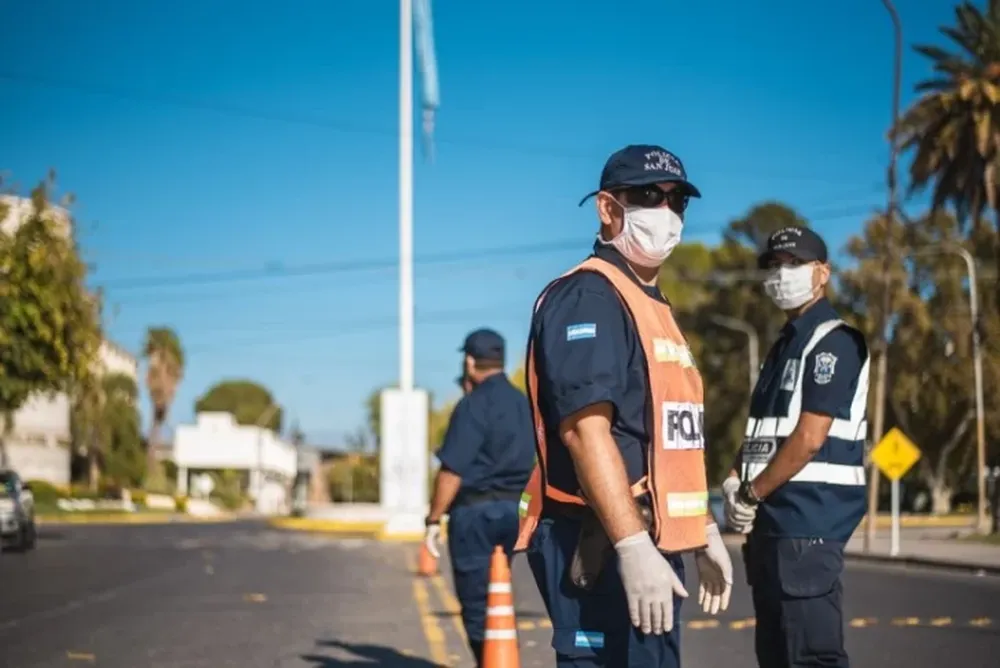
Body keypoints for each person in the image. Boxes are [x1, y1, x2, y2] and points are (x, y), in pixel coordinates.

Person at [513, 144, 733, 668]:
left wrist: (701, 529)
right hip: (607, 541)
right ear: (608, 209)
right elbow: (585, 432)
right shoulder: (590, 295)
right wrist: (633, 545)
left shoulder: (649, 303)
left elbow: (667, 438)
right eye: (648, 196)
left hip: (650, 540)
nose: (666, 211)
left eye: (677, 199)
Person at [722, 225, 870, 668]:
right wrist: (734, 477)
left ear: (822, 273)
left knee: (809, 658)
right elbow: (763, 433)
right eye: (774, 265)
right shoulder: (783, 347)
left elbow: (809, 437)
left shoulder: (833, 341)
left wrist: (752, 493)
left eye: (794, 264)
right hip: (774, 525)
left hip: (808, 521)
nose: (781, 274)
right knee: (778, 655)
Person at [423, 328, 536, 667]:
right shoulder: (523, 403)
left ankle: (489, 660)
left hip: (476, 514)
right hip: (517, 513)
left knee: (477, 602)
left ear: (470, 362)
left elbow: (451, 470)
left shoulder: (472, 406)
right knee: (500, 592)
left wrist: (433, 519)